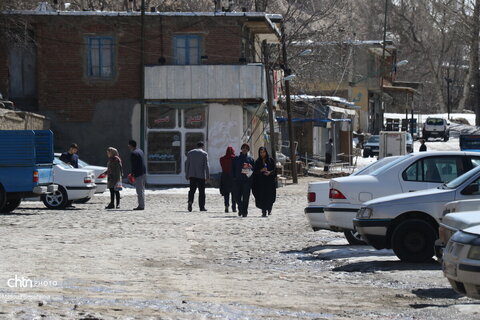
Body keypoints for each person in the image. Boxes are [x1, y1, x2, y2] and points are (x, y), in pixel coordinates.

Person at [185, 141, 210, 212]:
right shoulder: (204, 154)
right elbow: (206, 166)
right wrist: (207, 176)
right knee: (201, 192)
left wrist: (187, 174)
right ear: (202, 146)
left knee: (192, 190)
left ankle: (190, 201)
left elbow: (187, 165)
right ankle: (202, 207)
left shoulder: (190, 153)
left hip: (192, 175)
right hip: (201, 176)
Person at [252, 147, 276, 217]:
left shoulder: (271, 160)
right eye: (261, 152)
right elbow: (255, 172)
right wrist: (261, 170)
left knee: (269, 196)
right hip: (261, 183)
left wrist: (270, 172)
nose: (262, 154)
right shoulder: (257, 162)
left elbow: (275, 170)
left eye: (264, 152)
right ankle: (263, 211)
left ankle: (269, 209)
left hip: (269, 182)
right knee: (262, 197)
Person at [232, 143, 255, 217]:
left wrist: (250, 168)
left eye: (246, 148)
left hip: (246, 181)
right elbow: (232, 169)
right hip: (237, 181)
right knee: (236, 197)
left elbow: (253, 170)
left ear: (248, 150)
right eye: (243, 147)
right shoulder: (236, 158)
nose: (245, 149)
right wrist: (234, 178)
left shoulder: (250, 159)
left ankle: (244, 211)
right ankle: (241, 208)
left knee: (246, 198)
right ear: (241, 149)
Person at [128, 140, 146, 210]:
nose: (128, 146)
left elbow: (134, 165)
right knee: (142, 189)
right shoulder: (140, 151)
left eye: (128, 145)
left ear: (131, 145)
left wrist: (132, 174)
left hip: (138, 173)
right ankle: (142, 204)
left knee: (139, 190)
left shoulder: (133, 153)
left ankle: (141, 206)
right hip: (143, 172)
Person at [219, 146, 236, 213]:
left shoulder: (222, 159)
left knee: (226, 193)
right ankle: (234, 207)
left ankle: (226, 205)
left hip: (225, 176)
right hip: (232, 177)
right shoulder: (234, 159)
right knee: (233, 193)